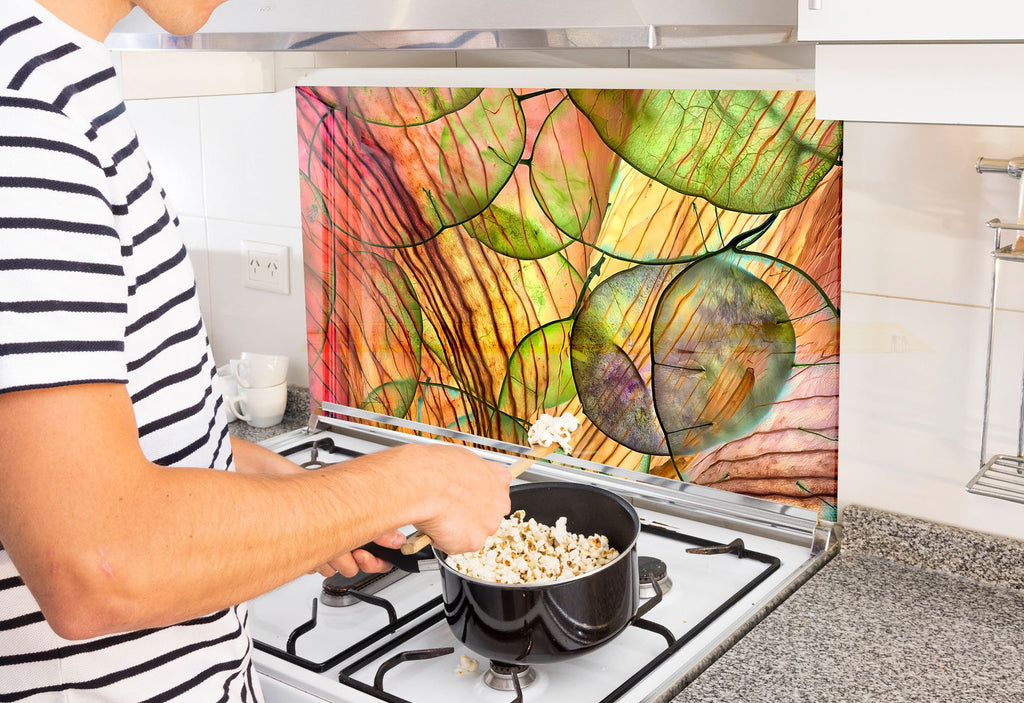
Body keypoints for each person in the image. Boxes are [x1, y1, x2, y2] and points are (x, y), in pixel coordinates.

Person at [0, 0, 513, 699]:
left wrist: (291, 496)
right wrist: (417, 480)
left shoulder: (55, 80)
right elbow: (97, 563)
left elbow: (75, 454)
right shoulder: (24, 117)